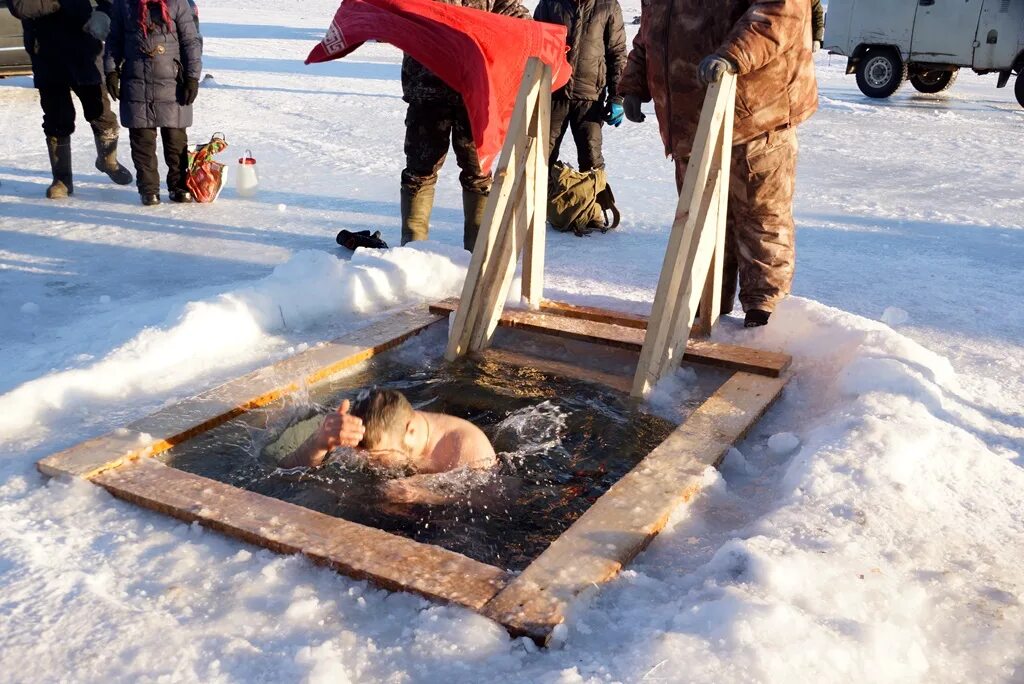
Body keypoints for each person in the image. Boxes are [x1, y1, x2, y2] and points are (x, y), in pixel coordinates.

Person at [618, 0, 817, 327]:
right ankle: (705, 300)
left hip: (755, 114)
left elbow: (780, 11)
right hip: (690, 123)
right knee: (701, 218)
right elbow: (652, 31)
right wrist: (634, 82)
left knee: (760, 214)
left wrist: (733, 56)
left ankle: (763, 313)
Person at [399, 0, 530, 252]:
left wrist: (533, 35)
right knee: (419, 171)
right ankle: (412, 251)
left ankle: (477, 253)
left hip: (474, 91)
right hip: (427, 89)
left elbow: (512, 11)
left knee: (478, 172)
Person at [278, 389, 497, 504]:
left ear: (410, 432)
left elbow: (488, 500)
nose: (369, 463)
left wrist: (427, 496)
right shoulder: (369, 437)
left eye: (380, 457)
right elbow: (284, 473)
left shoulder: (466, 447)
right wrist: (319, 442)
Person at [9, 0, 134, 199]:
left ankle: (108, 160)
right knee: (57, 119)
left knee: (101, 113)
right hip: (46, 54)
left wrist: (103, 13)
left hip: (84, 50)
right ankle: (62, 179)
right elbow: (21, 7)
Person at [104, 0, 202, 206]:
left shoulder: (176, 3)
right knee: (142, 140)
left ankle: (179, 186)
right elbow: (114, 40)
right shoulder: (125, 5)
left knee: (176, 140)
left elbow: (191, 41)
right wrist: (111, 71)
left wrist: (192, 78)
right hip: (136, 80)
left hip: (173, 82)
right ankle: (149, 190)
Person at [533, 0, 627, 173]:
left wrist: (617, 96)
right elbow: (535, 46)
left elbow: (617, 53)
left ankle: (593, 199)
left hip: (590, 97)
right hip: (554, 94)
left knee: (592, 161)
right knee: (540, 159)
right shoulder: (550, 3)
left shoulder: (608, 5)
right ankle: (542, 200)